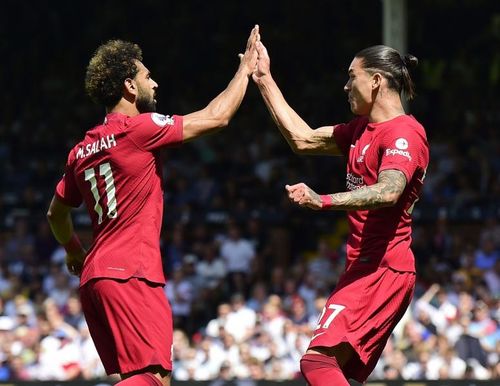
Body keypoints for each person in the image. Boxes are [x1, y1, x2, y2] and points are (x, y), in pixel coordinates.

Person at [46, 25, 260, 386]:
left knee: (131, 377)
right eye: (148, 76)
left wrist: (75, 252)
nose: (155, 83)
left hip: (95, 278)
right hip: (131, 272)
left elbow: (56, 213)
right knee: (153, 378)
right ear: (130, 86)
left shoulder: (80, 151)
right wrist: (245, 70)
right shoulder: (139, 129)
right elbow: (216, 117)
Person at [252, 39, 429, 385]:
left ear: (376, 81)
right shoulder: (359, 130)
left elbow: (389, 190)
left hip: (382, 268)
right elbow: (301, 139)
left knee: (317, 362)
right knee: (338, 375)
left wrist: (323, 200)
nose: (346, 86)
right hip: (364, 268)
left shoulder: (404, 132)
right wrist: (264, 79)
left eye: (352, 77)